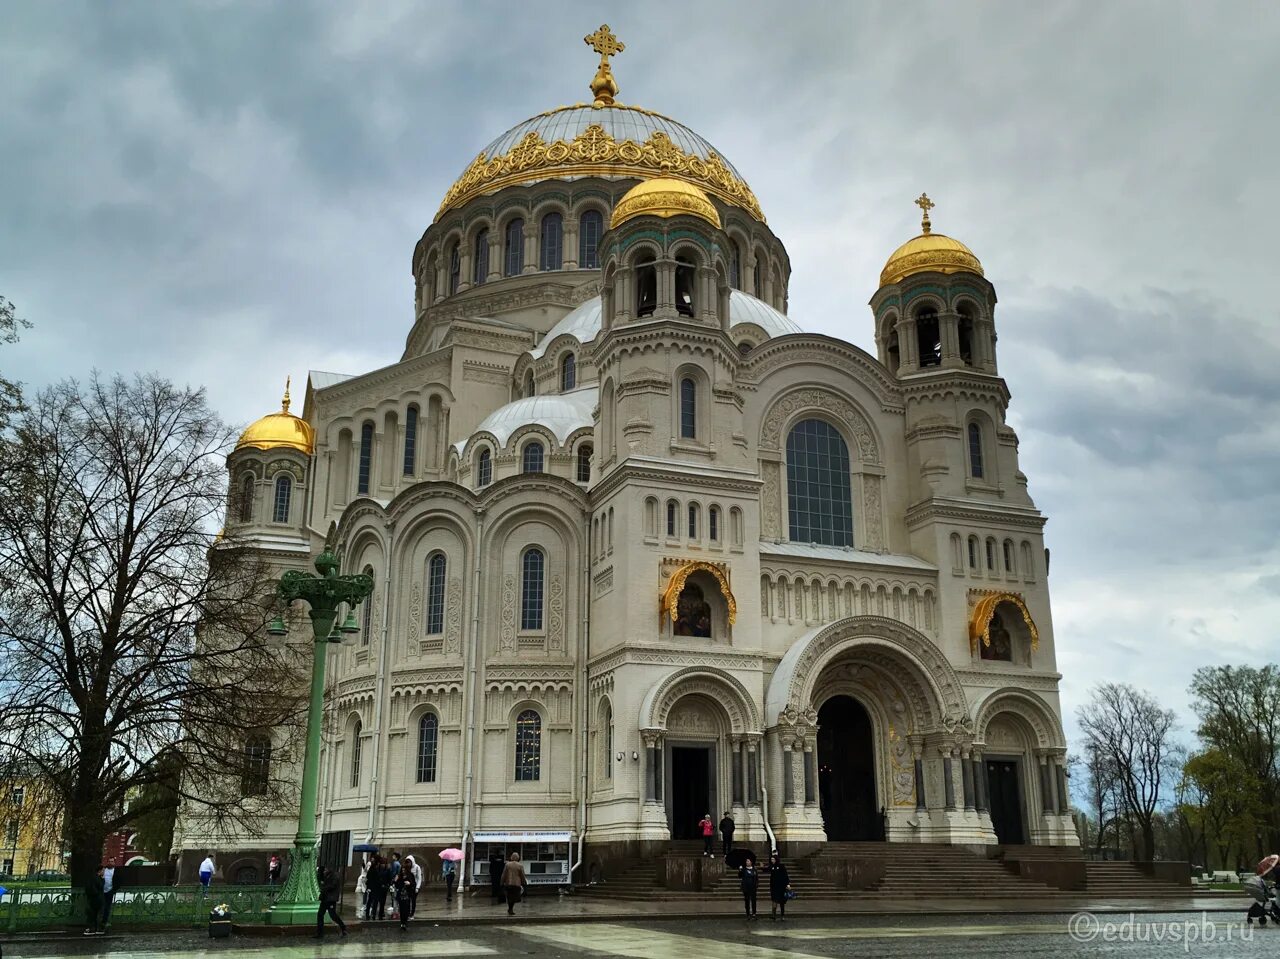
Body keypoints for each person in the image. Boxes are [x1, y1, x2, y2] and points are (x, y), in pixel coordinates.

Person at [315, 865, 347, 938]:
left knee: (333, 915)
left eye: (326, 869)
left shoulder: (334, 876)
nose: (324, 871)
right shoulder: (328, 876)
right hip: (325, 899)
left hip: (330, 899)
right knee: (320, 914)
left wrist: (323, 888)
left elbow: (332, 886)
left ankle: (343, 927)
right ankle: (320, 933)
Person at [499, 852, 526, 916]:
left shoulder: (507, 865)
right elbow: (522, 875)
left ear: (511, 857)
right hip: (516, 884)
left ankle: (510, 908)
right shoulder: (520, 865)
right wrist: (524, 882)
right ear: (518, 858)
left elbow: (504, 874)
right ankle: (510, 908)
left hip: (508, 883)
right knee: (515, 897)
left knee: (509, 896)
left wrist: (501, 882)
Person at [767, 851, 791, 921]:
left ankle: (782, 915)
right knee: (774, 900)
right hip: (774, 887)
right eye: (771, 859)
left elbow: (785, 875)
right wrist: (762, 867)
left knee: (781, 902)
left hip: (781, 886)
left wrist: (788, 884)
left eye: (773, 859)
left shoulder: (781, 866)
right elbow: (766, 870)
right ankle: (773, 915)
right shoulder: (771, 867)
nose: (772, 861)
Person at [83, 867, 105, 936]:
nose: (104, 872)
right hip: (98, 898)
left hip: (91, 899)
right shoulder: (99, 879)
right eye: (103, 870)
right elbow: (101, 886)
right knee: (99, 914)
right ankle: (98, 929)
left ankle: (90, 928)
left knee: (91, 914)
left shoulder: (91, 878)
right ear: (100, 871)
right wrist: (103, 879)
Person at [393, 864, 415, 930]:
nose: (403, 871)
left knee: (406, 910)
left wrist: (409, 883)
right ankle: (402, 923)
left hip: (407, 895)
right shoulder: (400, 876)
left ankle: (405, 922)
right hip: (401, 895)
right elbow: (397, 886)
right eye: (402, 870)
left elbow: (413, 883)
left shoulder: (410, 875)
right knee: (402, 910)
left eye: (404, 870)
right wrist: (395, 881)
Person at [100, 864, 115, 931]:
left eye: (112, 861)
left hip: (110, 890)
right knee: (102, 906)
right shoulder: (104, 870)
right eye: (109, 861)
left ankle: (105, 921)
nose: (110, 863)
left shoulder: (115, 871)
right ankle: (100, 921)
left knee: (107, 907)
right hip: (102, 891)